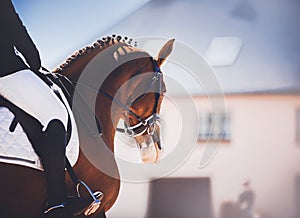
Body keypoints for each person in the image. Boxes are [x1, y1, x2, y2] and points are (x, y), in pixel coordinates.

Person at [0, 0, 95, 216]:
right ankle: (57, 203)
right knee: (55, 116)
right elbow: (12, 25)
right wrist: (33, 60)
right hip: (6, 70)